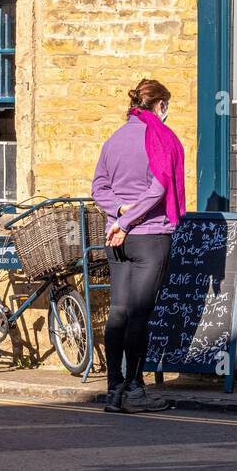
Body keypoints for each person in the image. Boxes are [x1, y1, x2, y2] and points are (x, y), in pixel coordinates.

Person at [91, 79, 186, 414]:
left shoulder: (114, 139)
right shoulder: (162, 138)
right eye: (167, 106)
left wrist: (117, 213)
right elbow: (160, 189)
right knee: (139, 315)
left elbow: (98, 185)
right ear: (159, 105)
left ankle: (114, 390)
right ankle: (134, 391)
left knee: (118, 312)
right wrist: (127, 220)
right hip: (148, 236)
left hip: (116, 239)